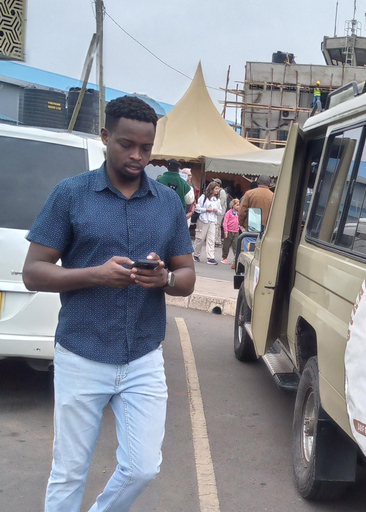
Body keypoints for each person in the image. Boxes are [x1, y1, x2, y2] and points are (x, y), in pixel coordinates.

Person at [22, 95, 195, 512]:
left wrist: (164, 279)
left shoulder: (168, 203)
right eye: (126, 145)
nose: (137, 156)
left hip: (142, 357)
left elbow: (187, 277)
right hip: (82, 353)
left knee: (143, 468)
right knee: (69, 471)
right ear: (105, 137)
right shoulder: (71, 195)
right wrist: (94, 275)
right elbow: (33, 271)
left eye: (147, 148)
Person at [193, 181, 222, 265]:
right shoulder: (204, 197)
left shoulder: (217, 200)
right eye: (216, 189)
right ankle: (196, 254)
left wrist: (217, 211)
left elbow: (220, 211)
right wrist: (206, 210)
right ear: (212, 189)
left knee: (211, 239)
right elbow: (197, 208)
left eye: (218, 189)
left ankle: (210, 257)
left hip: (212, 220)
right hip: (203, 220)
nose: (217, 190)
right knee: (200, 238)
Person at [221, 198, 240, 265]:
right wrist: (226, 231)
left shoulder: (239, 214)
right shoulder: (229, 213)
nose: (238, 206)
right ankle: (224, 257)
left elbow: (239, 222)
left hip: (236, 231)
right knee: (226, 245)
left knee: (236, 245)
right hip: (229, 231)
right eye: (237, 205)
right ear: (233, 205)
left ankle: (236, 258)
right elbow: (225, 222)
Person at [212, 178, 227, 247]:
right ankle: (217, 241)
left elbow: (222, 200)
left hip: (220, 211)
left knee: (216, 225)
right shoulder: (219, 191)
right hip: (219, 210)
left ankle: (216, 241)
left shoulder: (222, 191)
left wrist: (217, 208)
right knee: (217, 225)